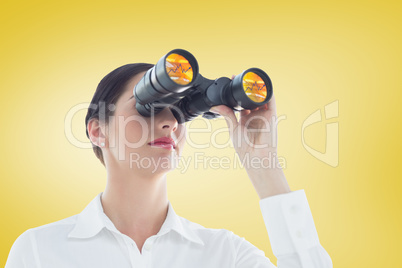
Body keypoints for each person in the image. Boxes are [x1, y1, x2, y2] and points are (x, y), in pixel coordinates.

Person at [5, 63, 333, 267]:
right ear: (97, 130)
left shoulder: (224, 254)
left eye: (180, 112)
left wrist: (264, 166)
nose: (169, 124)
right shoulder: (40, 251)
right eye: (147, 108)